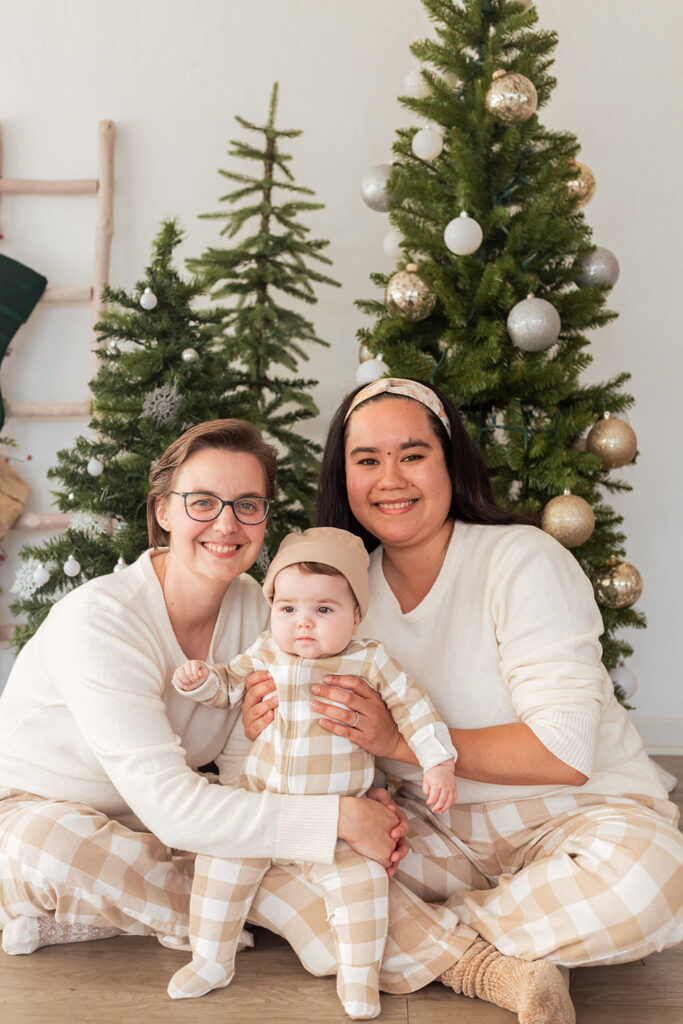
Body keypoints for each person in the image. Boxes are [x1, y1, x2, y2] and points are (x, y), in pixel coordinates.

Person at [243, 377, 683, 1023]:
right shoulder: (337, 592)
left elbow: (562, 755)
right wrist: (272, 720)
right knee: (267, 864)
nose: (389, 478)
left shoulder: (520, 558)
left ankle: (420, 942)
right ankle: (496, 958)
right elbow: (313, 723)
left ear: (451, 464)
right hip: (433, 828)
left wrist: (396, 742)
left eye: (412, 454)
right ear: (344, 479)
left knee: (652, 884)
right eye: (366, 460)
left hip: (574, 814)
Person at [0, 420, 410, 959]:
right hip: (41, 813)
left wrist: (352, 793)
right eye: (202, 502)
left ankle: (118, 915)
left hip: (175, 828)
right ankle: (232, 920)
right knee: (48, 849)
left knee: (261, 852)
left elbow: (247, 774)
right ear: (164, 511)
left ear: (263, 517)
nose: (226, 523)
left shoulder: (263, 614)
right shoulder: (101, 621)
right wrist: (341, 818)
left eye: (247, 504)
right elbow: (173, 806)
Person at [167, 526, 457, 1018]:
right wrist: (200, 682)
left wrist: (439, 760)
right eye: (288, 609)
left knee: (364, 886)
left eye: (324, 610)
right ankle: (211, 958)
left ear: (356, 615)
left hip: (340, 819)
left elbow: (415, 710)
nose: (304, 623)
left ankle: (359, 978)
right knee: (219, 869)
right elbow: (227, 688)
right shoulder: (265, 652)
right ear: (272, 608)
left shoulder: (369, 659)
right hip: (263, 806)